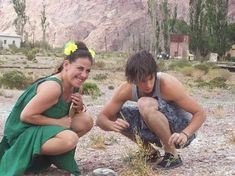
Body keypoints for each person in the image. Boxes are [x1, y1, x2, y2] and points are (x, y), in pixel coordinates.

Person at [96, 50, 206, 169]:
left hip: (180, 131)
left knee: (144, 102)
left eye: (150, 78)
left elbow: (200, 113)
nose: (148, 85)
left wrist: (185, 133)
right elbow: (101, 118)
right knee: (116, 115)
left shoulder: (167, 84)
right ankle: (149, 152)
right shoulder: (125, 89)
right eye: (142, 81)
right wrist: (110, 124)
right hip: (154, 128)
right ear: (133, 80)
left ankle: (172, 155)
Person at [0, 41, 95, 175]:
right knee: (70, 139)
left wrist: (79, 107)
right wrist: (58, 123)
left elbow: (66, 113)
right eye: (80, 68)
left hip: (42, 128)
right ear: (66, 65)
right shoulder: (53, 87)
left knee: (86, 121)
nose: (84, 75)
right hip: (22, 133)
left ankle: (46, 155)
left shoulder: (74, 85)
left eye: (87, 71)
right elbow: (26, 116)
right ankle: (27, 155)